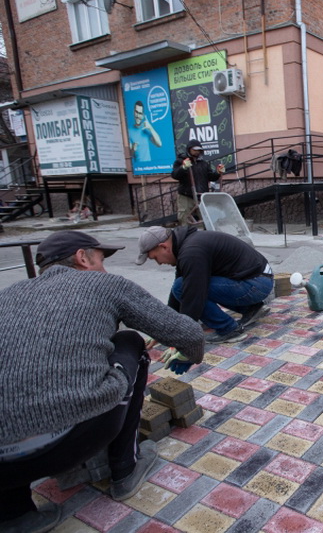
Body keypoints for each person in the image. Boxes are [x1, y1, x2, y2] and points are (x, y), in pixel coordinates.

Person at [0, 232, 205, 533]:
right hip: (67, 443)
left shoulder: (8, 294)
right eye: (101, 261)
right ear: (83, 258)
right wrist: (191, 355)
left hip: (5, 468)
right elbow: (189, 334)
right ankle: (125, 469)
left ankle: (14, 515)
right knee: (130, 340)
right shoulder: (104, 284)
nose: (105, 269)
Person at [136, 225, 273, 344]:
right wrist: (164, 328)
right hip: (259, 280)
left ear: (163, 247)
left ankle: (229, 329)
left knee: (184, 287)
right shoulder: (188, 245)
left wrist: (183, 336)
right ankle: (251, 309)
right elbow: (177, 294)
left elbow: (192, 295)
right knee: (182, 285)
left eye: (155, 258)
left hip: (255, 284)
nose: (159, 263)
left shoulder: (191, 252)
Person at [171, 139, 223, 226]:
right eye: (194, 150)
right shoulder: (180, 161)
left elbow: (210, 176)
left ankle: (205, 236)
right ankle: (186, 236)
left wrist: (218, 173)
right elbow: (174, 175)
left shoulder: (203, 163)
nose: (197, 152)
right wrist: (183, 167)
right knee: (184, 219)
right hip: (186, 195)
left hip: (200, 196)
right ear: (189, 149)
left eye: (199, 150)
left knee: (206, 219)